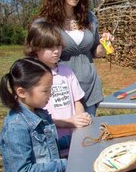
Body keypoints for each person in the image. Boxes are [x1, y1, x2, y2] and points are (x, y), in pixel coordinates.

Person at [35, 0, 113, 116]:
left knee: (87, 136)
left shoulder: (88, 17)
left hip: (89, 88)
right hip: (60, 93)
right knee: (64, 136)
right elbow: (34, 61)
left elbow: (94, 51)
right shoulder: (44, 23)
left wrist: (104, 45)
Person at [0, 58, 68, 172]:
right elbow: (24, 171)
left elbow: (48, 146)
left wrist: (74, 141)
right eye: (45, 91)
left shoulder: (39, 111)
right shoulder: (16, 126)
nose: (50, 95)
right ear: (22, 92)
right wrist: (64, 165)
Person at [24, 21, 92, 156]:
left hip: (74, 139)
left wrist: (80, 119)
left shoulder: (67, 72)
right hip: (48, 144)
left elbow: (77, 100)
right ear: (35, 48)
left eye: (58, 46)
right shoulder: (31, 77)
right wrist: (67, 122)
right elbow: (33, 117)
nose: (56, 51)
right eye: (50, 47)